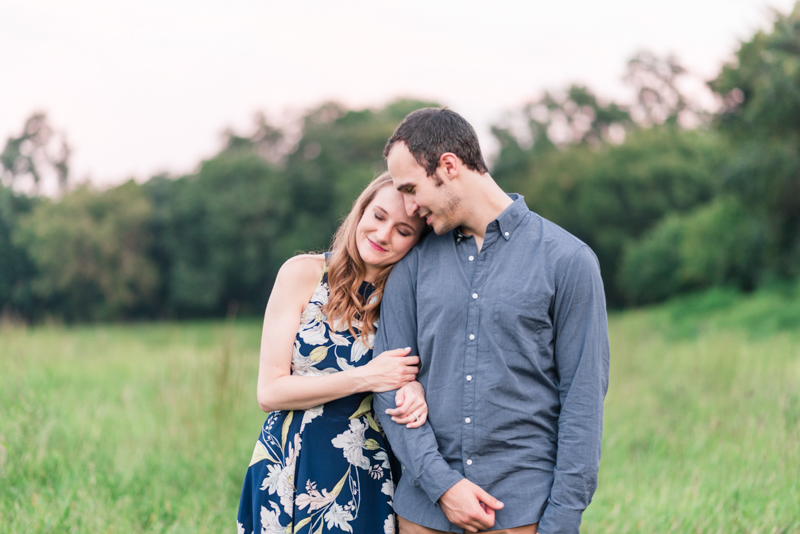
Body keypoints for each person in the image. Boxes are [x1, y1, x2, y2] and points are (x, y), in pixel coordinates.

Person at [374, 108, 610, 534]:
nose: (408, 207)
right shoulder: (411, 266)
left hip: (522, 514)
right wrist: (442, 486)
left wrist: (562, 521)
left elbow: (583, 400)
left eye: (411, 188)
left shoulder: (569, 261)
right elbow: (388, 387)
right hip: (424, 514)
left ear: (448, 166)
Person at [237, 172, 430, 534]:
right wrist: (367, 377)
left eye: (404, 231)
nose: (384, 234)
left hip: (368, 469)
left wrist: (414, 388)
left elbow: (416, 372)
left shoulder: (409, 300)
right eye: (378, 216)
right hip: (292, 460)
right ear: (361, 211)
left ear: (416, 243)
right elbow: (270, 391)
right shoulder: (302, 274)